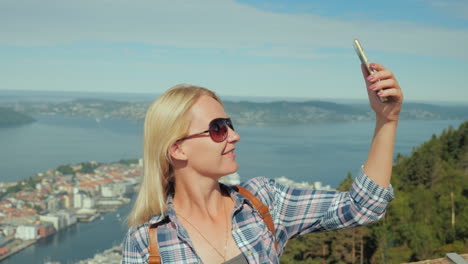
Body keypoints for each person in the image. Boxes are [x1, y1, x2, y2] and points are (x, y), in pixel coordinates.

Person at [122, 62, 403, 264]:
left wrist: (387, 120)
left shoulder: (262, 202)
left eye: (229, 125)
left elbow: (363, 206)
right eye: (218, 128)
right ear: (178, 149)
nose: (234, 136)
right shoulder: (146, 241)